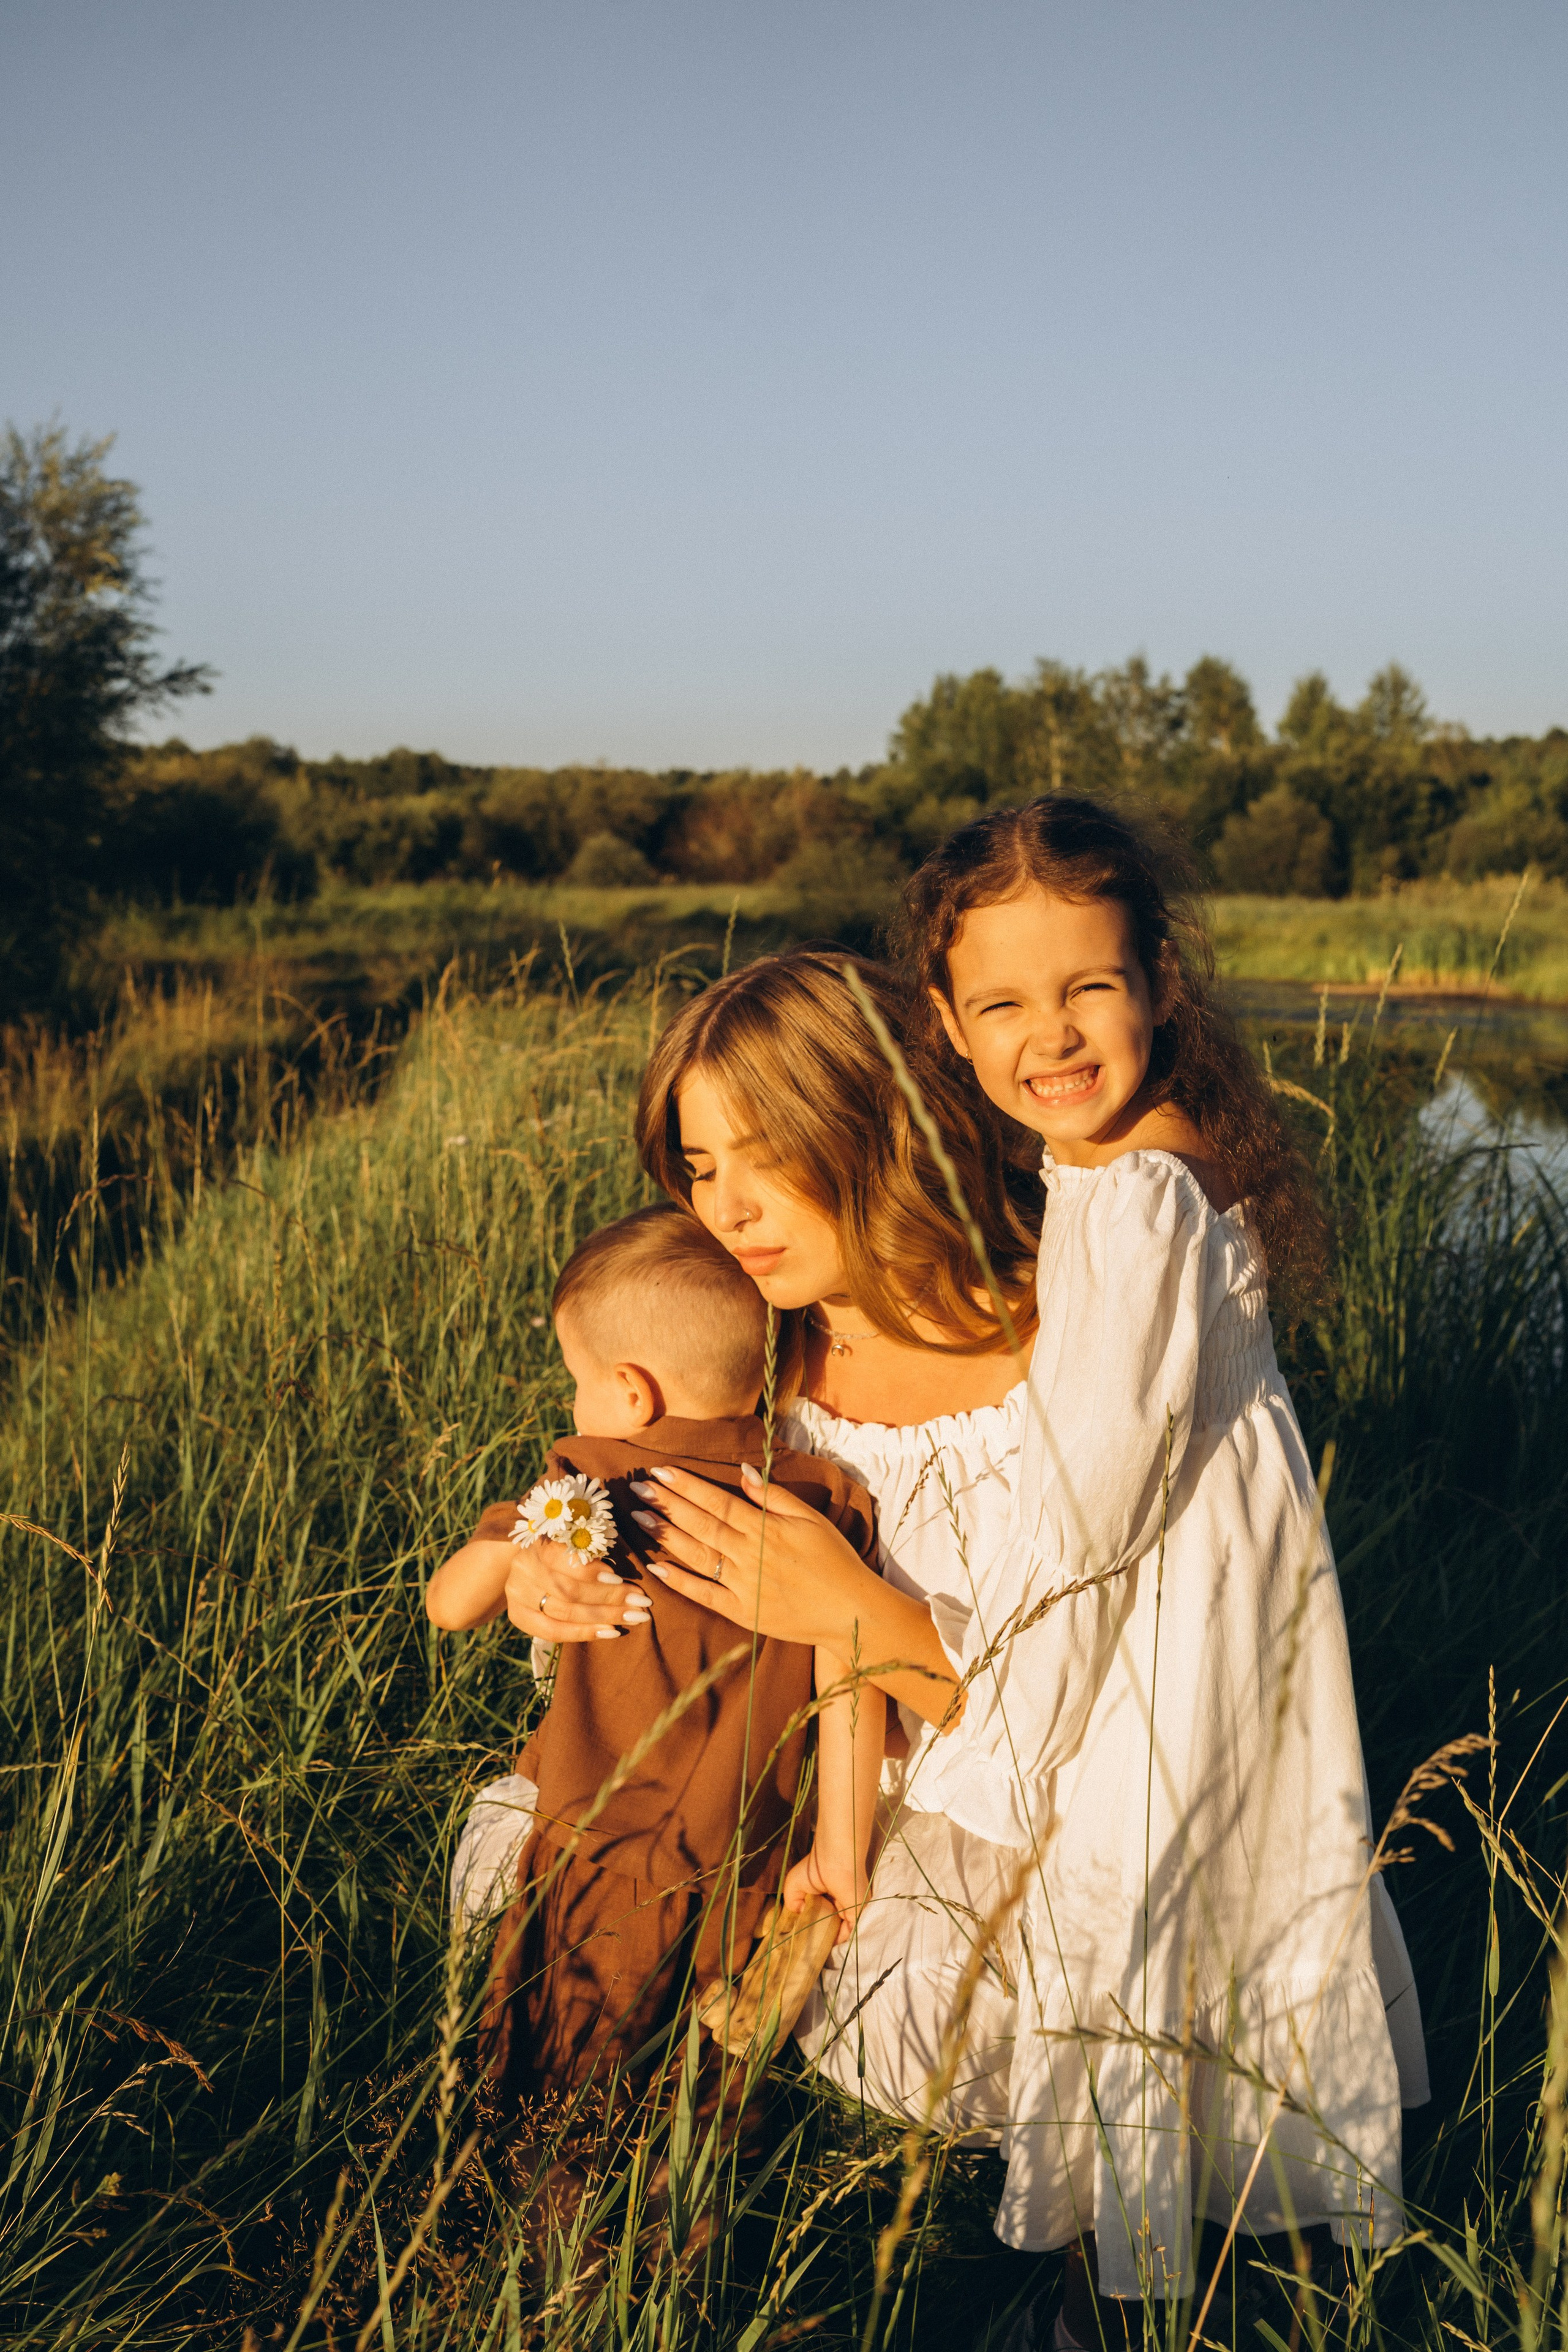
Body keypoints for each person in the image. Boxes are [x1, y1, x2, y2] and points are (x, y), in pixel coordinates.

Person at [427, 1202, 882, 2098]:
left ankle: (544, 2227)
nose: (572, 1401)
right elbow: (853, 1670)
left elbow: (448, 1605)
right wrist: (841, 1851)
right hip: (748, 1868)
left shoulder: (597, 1481)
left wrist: (522, 1543)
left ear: (632, 1391)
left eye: (575, 1379)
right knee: (700, 2099)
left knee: (561, 2088)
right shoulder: (821, 1496)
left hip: (601, 1856)